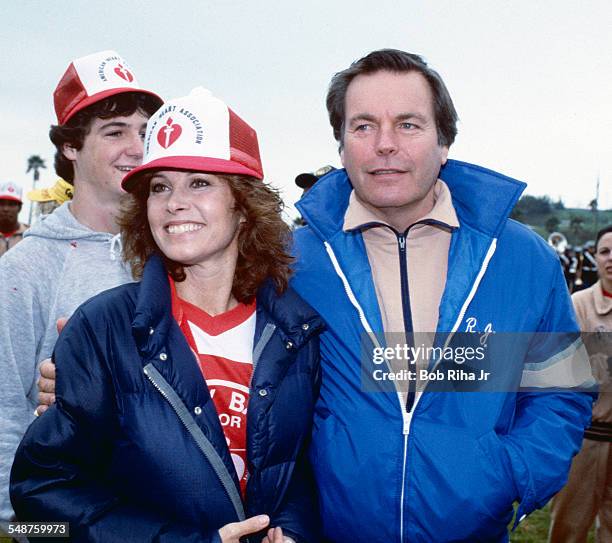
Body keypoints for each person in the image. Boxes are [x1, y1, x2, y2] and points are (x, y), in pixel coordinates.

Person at [290, 49, 594, 541]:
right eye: (363, 126)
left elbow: (562, 390)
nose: (384, 144)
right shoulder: (291, 262)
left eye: (407, 124)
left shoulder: (523, 258)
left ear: (444, 141)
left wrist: (508, 472)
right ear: (341, 144)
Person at [11, 87, 322, 543]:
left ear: (243, 207)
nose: (174, 202)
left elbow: (297, 472)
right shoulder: (102, 326)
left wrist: (292, 530)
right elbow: (39, 505)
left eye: (199, 182)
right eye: (160, 187)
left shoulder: (295, 332)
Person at [0, 49, 162, 526]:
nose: (137, 147)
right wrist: (24, 528)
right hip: (64, 518)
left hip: (165, 520)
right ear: (71, 146)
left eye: (144, 132)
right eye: (115, 132)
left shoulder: (178, 251)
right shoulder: (27, 266)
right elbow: (6, 408)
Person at [549, 225, 612, 542]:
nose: (611, 258)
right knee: (569, 529)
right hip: (585, 441)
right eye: (604, 251)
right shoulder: (577, 304)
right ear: (596, 258)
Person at [0, 181, 28, 257]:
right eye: (1, 203)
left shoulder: (29, 235)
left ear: (19, 208)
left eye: (11, 204)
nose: (6, 209)